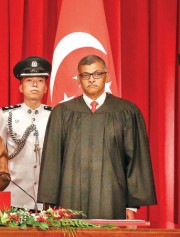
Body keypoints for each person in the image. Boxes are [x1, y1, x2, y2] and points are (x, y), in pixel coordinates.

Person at [37, 55, 157, 219]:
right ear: (79, 79)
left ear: (106, 76)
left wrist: (132, 205)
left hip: (113, 198)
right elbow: (53, 158)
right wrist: (50, 203)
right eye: (85, 75)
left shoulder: (126, 111)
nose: (91, 79)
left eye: (97, 74)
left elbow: (135, 157)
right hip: (70, 197)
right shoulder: (62, 112)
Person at [0, 56, 52, 210]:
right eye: (29, 80)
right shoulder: (7, 115)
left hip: (45, 195)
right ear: (21, 88)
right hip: (14, 194)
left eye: (40, 81)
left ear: (45, 88)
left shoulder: (54, 115)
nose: (35, 84)